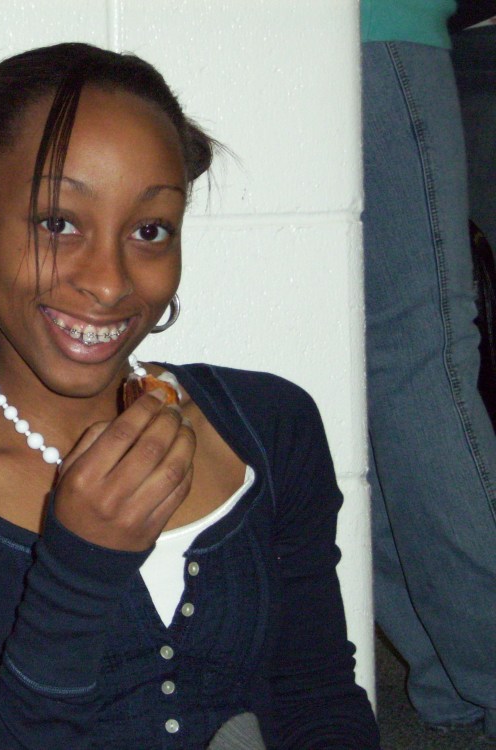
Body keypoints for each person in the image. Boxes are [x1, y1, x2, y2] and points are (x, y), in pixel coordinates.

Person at [0, 42, 379, 748]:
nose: (110, 281)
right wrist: (78, 571)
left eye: (150, 231)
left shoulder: (271, 426)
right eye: (58, 223)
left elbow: (320, 697)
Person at [362, 0, 496, 736]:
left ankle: (457, 681)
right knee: (421, 359)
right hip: (380, 29)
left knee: (377, 372)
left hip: (310, 39)